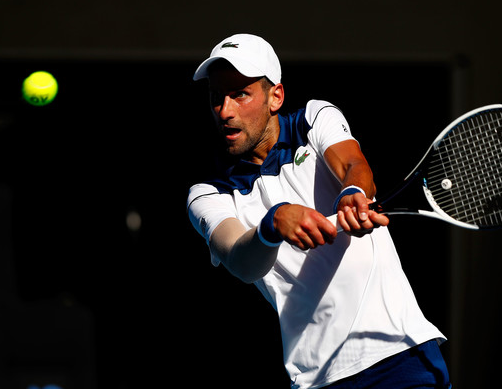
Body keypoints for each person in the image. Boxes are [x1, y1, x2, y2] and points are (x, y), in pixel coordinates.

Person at [187, 33, 451, 389]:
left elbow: (353, 166)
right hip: (319, 380)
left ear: (275, 97)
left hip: (400, 356)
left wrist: (353, 193)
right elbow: (241, 261)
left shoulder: (314, 118)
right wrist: (273, 222)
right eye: (216, 97)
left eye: (240, 94)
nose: (225, 111)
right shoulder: (207, 193)